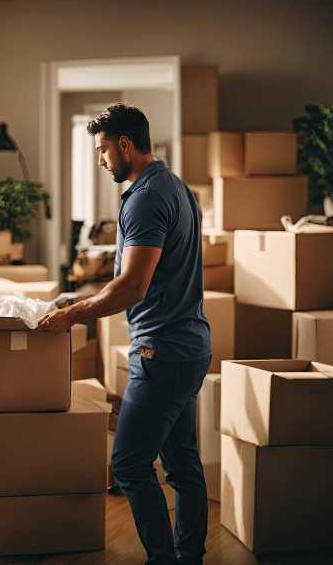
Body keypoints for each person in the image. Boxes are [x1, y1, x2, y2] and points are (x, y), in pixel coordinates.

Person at [37, 103, 211, 564]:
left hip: (162, 352)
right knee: (182, 465)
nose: (100, 160)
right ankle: (188, 556)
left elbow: (134, 285)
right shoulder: (178, 188)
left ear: (125, 145)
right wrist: (83, 299)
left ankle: (164, 559)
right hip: (189, 346)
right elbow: (140, 276)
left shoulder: (147, 197)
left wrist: (74, 314)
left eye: (102, 149)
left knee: (129, 463)